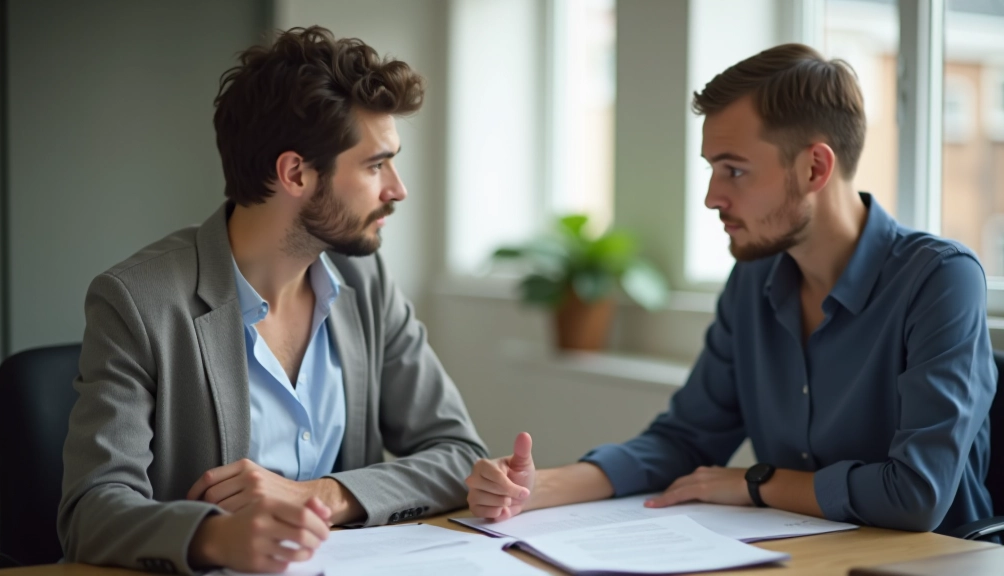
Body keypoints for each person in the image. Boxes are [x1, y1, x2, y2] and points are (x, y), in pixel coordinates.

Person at [466, 43, 995, 536]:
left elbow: (916, 495)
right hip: (802, 554)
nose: (712, 197)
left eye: (734, 170)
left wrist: (756, 482)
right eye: (713, 169)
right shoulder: (755, 277)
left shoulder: (941, 279)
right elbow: (685, 439)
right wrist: (536, 488)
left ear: (815, 167)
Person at [58, 26, 487, 575]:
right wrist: (218, 538)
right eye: (376, 165)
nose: (397, 189)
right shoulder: (138, 301)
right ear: (295, 174)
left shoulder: (368, 282)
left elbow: (459, 453)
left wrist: (323, 495)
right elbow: (89, 512)